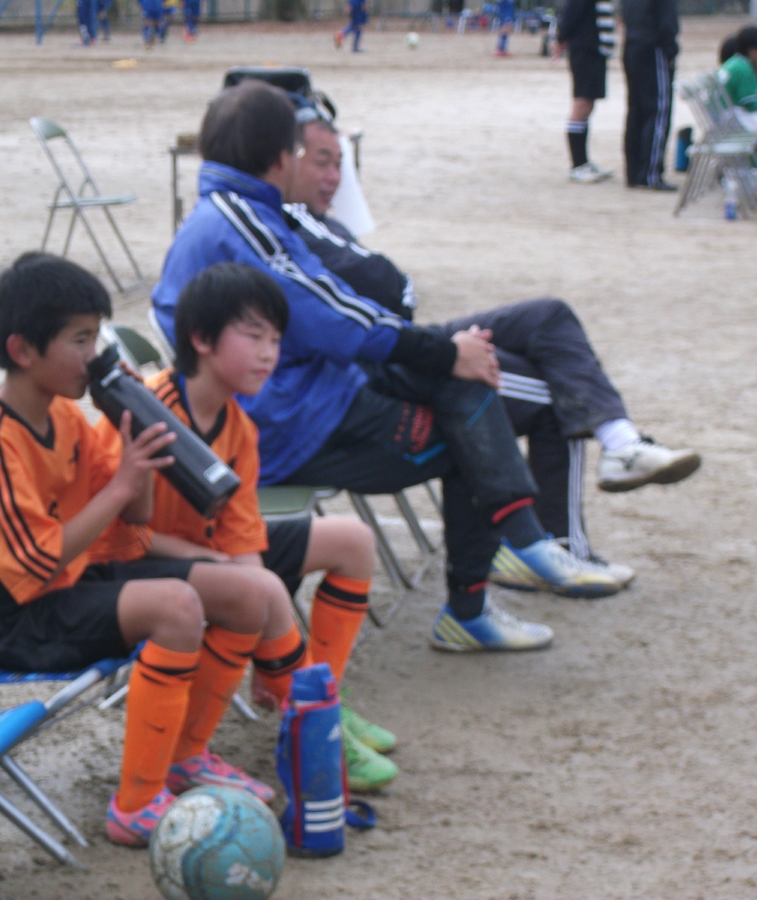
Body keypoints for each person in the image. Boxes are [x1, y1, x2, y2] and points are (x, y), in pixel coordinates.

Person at [152, 81, 624, 655]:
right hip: (287, 422)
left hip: (306, 393)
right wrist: (443, 350)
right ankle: (489, 584)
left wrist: (444, 351)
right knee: (469, 431)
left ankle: (512, 553)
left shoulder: (237, 211)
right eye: (306, 155)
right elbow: (329, 315)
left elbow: (333, 307)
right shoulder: (239, 220)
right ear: (280, 157)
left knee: (461, 381)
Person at [0, 252, 299, 846]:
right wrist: (122, 484)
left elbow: (135, 517)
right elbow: (34, 562)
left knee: (247, 593)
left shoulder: (67, 418)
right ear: (23, 350)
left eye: (97, 336)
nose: (96, 355)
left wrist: (135, 444)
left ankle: (186, 755)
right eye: (81, 340)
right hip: (8, 617)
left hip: (67, 585)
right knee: (176, 607)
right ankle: (136, 803)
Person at [283, 112, 701, 583]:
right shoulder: (287, 221)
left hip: (400, 343)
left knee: (549, 316)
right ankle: (552, 549)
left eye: (340, 165)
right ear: (285, 159)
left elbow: (387, 293)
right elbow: (391, 288)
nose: (333, 178)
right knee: (554, 393)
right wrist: (434, 331)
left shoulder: (316, 220)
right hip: (384, 363)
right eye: (322, 163)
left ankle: (621, 442)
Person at [93, 264, 398, 791]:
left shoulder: (238, 427)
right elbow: (111, 532)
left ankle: (317, 695)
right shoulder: (143, 409)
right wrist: (226, 572)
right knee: (258, 589)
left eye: (275, 340)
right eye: (254, 336)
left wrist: (261, 613)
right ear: (201, 339)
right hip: (136, 567)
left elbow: (242, 539)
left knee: (353, 541)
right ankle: (311, 719)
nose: (268, 353)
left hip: (207, 556)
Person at [554, 0, 616, 182]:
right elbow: (570, 13)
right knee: (581, 104)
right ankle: (578, 165)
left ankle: (584, 162)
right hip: (586, 50)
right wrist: (561, 38)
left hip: (596, 52)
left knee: (588, 105)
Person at [622, 0, 678, 190]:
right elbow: (667, 22)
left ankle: (634, 172)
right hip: (653, 48)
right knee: (658, 110)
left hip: (632, 45)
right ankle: (650, 174)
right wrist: (671, 49)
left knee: (636, 111)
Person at [718, 26, 757, 131]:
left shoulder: (735, 63)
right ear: (753, 51)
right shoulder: (743, 69)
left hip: (724, 116)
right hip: (733, 120)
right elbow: (749, 103)